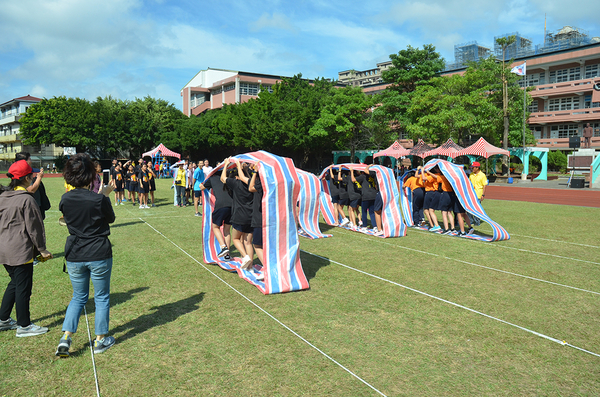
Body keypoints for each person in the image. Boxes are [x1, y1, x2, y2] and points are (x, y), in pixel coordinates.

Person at [55, 153, 116, 357]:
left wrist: (100, 196)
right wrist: (104, 195)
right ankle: (100, 340)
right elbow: (110, 218)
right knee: (101, 297)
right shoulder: (98, 199)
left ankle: (66, 337)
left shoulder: (66, 198)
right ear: (90, 176)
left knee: (78, 297)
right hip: (98, 252)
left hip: (75, 254)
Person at [0, 160, 52, 337]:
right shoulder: (26, 200)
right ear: (28, 178)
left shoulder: (3, 197)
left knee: (15, 283)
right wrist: (42, 249)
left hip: (4, 249)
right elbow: (34, 228)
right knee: (23, 287)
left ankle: (3, 319)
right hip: (20, 250)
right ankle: (24, 325)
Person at [221, 158, 254, 270]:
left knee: (235, 239)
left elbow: (222, 178)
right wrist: (244, 169)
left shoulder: (236, 183)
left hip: (239, 216)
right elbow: (249, 179)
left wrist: (226, 165)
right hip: (251, 216)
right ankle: (249, 267)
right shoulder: (252, 186)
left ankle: (245, 257)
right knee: (248, 242)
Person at [15, 152, 51, 220]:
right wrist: (39, 178)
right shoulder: (22, 173)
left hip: (33, 204)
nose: (31, 161)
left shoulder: (21, 170)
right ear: (24, 161)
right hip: (30, 206)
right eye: (29, 159)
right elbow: (30, 190)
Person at [353, 164, 377, 231]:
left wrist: (352, 172)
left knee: (364, 211)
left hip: (366, 196)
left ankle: (364, 226)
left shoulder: (363, 176)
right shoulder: (374, 176)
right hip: (373, 195)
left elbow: (353, 179)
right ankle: (375, 226)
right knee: (372, 212)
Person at [468, 161, 487, 227]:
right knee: (469, 208)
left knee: (476, 208)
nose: (472, 169)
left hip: (478, 194)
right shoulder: (471, 174)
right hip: (471, 194)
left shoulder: (482, 175)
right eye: (472, 167)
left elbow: (484, 185)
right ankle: (470, 220)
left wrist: (483, 194)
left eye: (473, 167)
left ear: (477, 168)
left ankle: (477, 221)